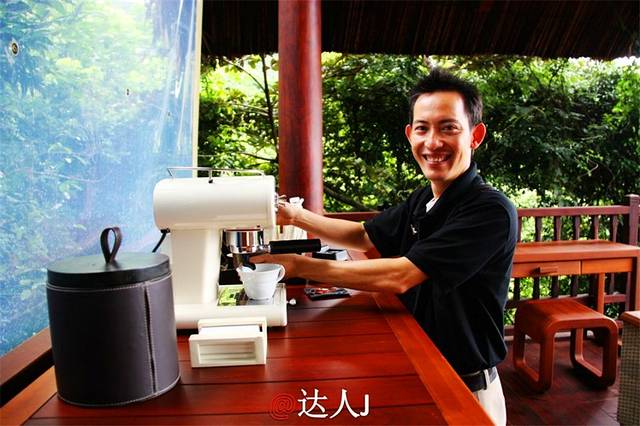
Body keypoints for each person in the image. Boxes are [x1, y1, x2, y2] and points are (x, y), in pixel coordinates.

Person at [253, 68, 517, 425]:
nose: (433, 142)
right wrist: (295, 216)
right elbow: (364, 236)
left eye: (448, 128)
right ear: (410, 134)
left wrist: (300, 266)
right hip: (421, 373)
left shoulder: (489, 210)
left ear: (475, 136)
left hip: (466, 389)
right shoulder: (425, 198)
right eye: (422, 128)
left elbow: (401, 276)